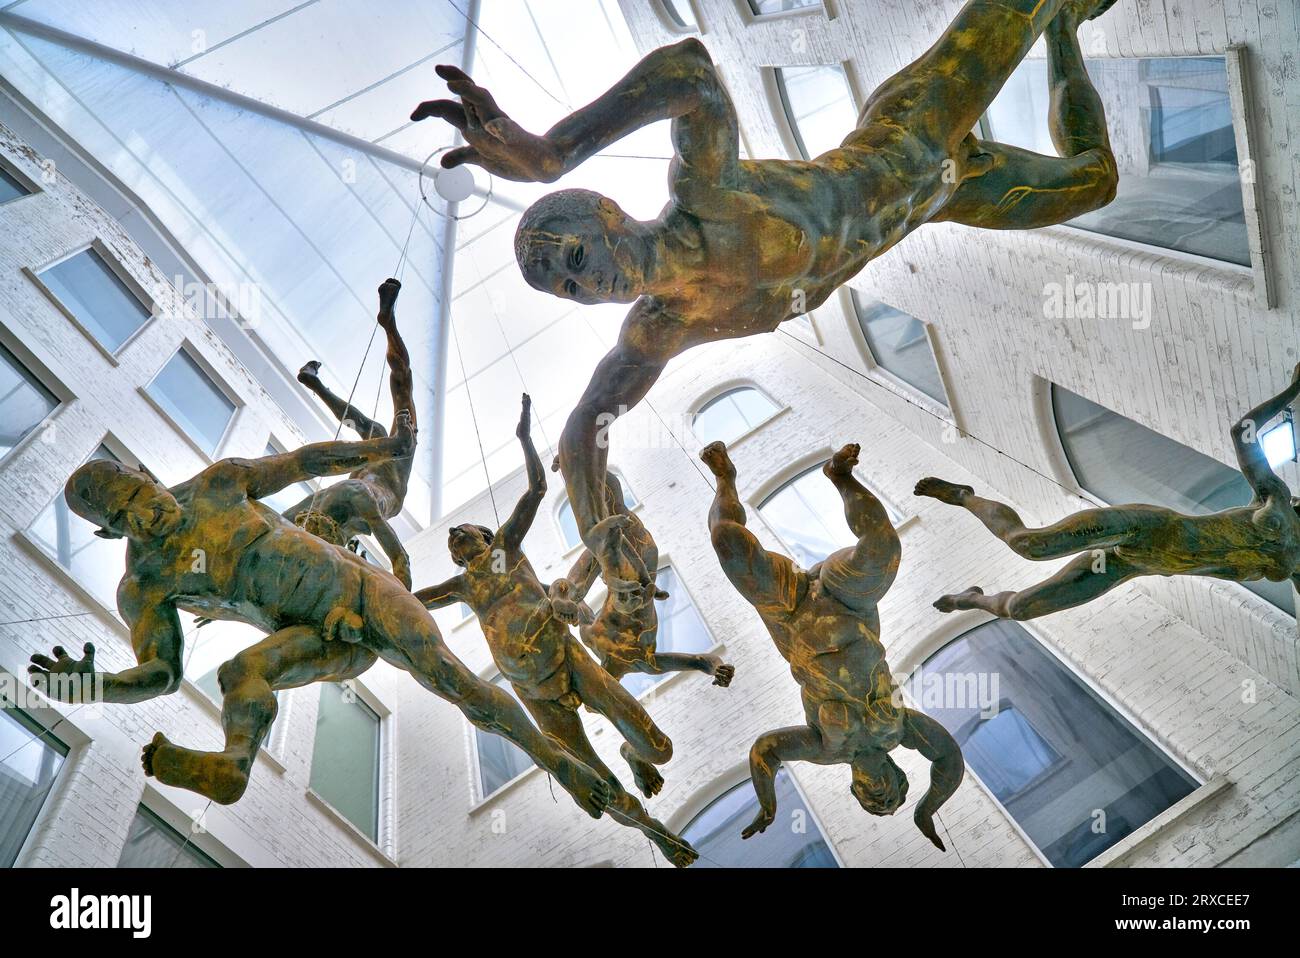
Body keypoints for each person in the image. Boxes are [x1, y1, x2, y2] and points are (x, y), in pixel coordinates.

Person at [412, 0, 1119, 592]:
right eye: (568, 288)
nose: (585, 284)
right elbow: (587, 420)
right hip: (944, 192)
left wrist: (552, 153)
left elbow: (691, 69)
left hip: (913, 131)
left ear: (604, 214)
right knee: (1096, 180)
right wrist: (603, 539)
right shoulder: (665, 326)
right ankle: (1067, 30)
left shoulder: (704, 196)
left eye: (574, 258)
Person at [28, 413, 611, 819]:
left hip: (361, 590)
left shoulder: (219, 483)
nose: (146, 515)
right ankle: (233, 766)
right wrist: (94, 683)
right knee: (239, 673)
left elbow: (306, 462)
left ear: (146, 476)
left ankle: (556, 762)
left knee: (451, 679)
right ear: (110, 531)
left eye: (141, 496)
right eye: (128, 518)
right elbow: (161, 672)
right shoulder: (145, 586)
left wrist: (382, 452)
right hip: (313, 637)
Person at [416, 395, 697, 866]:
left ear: (484, 537)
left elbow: (536, 489)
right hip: (535, 694)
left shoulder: (505, 549)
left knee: (659, 748)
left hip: (569, 660)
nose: (454, 537)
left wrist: (525, 439)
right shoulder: (464, 585)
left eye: (461, 530)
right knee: (590, 779)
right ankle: (656, 832)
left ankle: (635, 755)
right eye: (451, 540)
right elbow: (411, 601)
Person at [700, 440, 962, 849]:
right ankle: (841, 476)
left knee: (727, 541)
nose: (878, 794)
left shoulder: (825, 748)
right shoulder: (900, 730)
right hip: (849, 606)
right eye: (888, 796)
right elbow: (948, 757)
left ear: (855, 789)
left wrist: (769, 806)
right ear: (897, 774)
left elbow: (765, 750)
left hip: (792, 618)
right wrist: (926, 809)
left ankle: (724, 480)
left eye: (871, 801)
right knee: (883, 548)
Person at [916, 364, 1300, 620]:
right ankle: (964, 496)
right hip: (1145, 530)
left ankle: (971, 599)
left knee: (1021, 609)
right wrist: (1295, 388)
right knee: (1030, 545)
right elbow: (1243, 432)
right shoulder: (1276, 503)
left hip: (1130, 564)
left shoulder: (1295, 568)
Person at [549, 468, 734, 689]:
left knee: (577, 584)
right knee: (616, 506)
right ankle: (582, 462)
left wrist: (558, 600)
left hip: (613, 562)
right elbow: (699, 661)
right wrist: (717, 668)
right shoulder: (643, 663)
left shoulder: (591, 637)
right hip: (644, 562)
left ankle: (577, 465)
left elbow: (576, 601)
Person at [286, 277, 417, 588]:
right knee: (383, 413)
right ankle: (316, 382)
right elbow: (400, 562)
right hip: (366, 489)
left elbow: (401, 562)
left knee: (395, 397)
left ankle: (386, 325)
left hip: (377, 480)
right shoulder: (336, 501)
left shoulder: (393, 458)